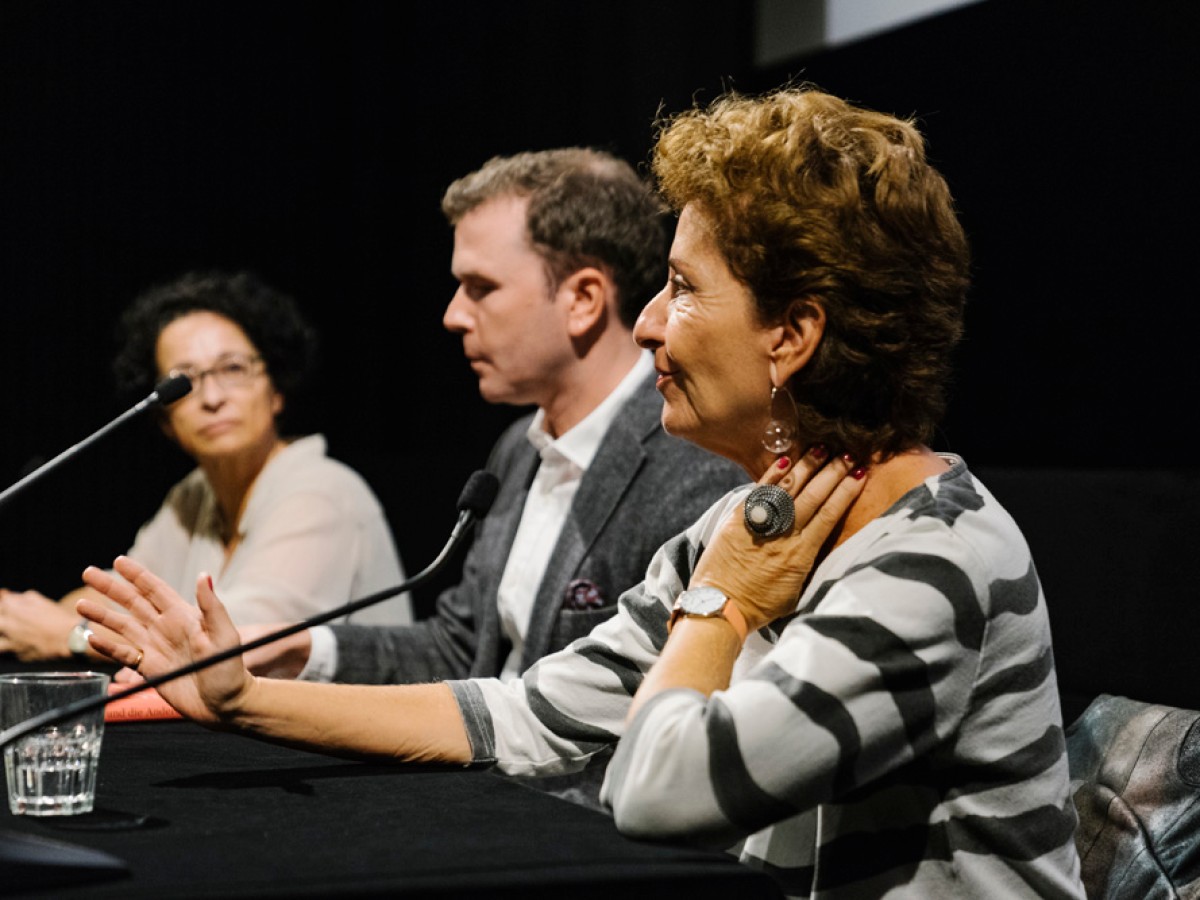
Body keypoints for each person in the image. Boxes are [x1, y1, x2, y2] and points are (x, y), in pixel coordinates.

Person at [78, 86, 1085, 898]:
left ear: (792, 334)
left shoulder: (931, 557)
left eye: (684, 288)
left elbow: (662, 791)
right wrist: (246, 698)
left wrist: (721, 605)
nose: (648, 323)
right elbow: (523, 715)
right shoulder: (741, 526)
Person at [236, 148, 746, 698]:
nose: (453, 315)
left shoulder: (694, 461)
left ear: (583, 299)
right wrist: (299, 648)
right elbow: (463, 647)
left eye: (481, 288)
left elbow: (653, 706)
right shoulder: (518, 449)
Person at [0, 269, 410, 661]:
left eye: (233, 368)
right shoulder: (192, 497)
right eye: (185, 381)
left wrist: (70, 636)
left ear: (277, 391)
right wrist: (24, 616)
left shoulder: (324, 492)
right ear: (165, 420)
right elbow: (117, 594)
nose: (212, 397)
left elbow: (229, 647)